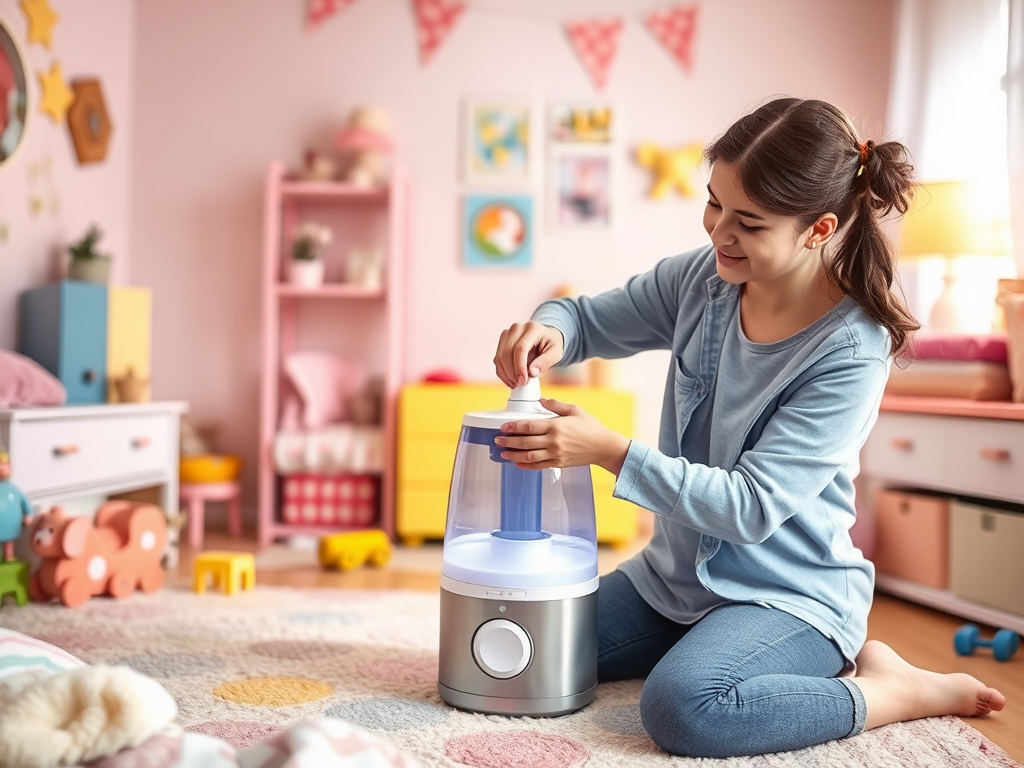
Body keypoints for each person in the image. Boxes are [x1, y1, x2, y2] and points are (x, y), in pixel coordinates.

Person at [490, 97, 1006, 758]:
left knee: (685, 709)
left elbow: (753, 506)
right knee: (523, 652)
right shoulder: (700, 281)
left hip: (787, 599)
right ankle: (700, 644)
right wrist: (550, 330)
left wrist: (612, 453)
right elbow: (587, 318)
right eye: (714, 205)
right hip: (670, 584)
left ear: (819, 230)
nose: (719, 235)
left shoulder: (851, 349)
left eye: (749, 223)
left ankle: (894, 691)